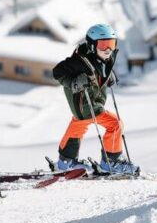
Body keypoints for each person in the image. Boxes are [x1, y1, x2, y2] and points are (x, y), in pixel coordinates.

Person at [53, 24, 138, 175]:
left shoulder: (101, 57)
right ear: (92, 45)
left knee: (79, 125)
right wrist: (74, 82)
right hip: (86, 104)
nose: (108, 49)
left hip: (87, 103)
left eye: (111, 44)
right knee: (115, 124)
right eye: (103, 44)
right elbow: (58, 72)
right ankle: (111, 162)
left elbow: (98, 71)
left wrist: (106, 77)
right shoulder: (79, 61)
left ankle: (66, 161)